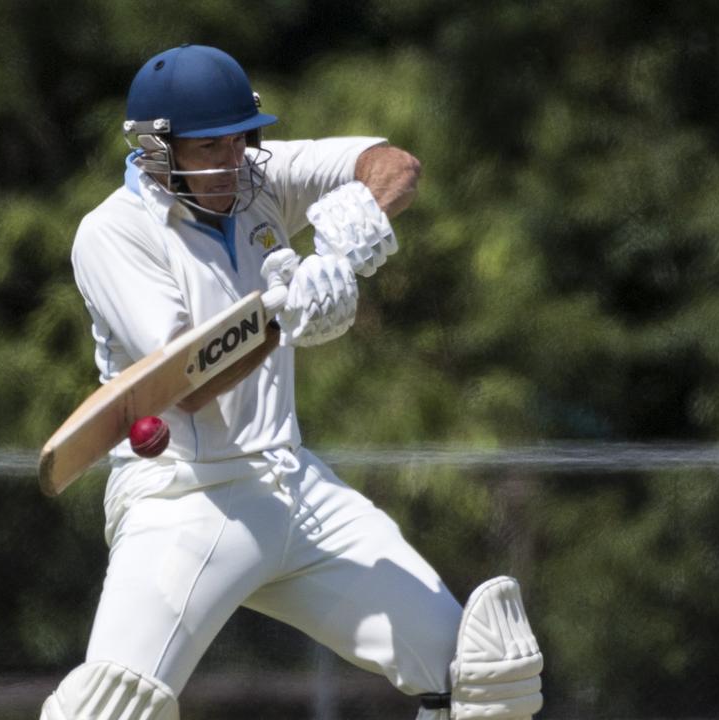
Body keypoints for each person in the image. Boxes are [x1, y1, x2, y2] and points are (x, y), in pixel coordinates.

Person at [40, 45, 544, 720]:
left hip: (294, 483)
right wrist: (280, 318)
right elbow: (182, 383)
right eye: (208, 148)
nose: (230, 163)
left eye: (240, 141)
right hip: (188, 496)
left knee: (483, 681)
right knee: (106, 710)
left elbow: (393, 164)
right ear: (156, 150)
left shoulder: (256, 177)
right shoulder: (112, 234)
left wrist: (349, 234)